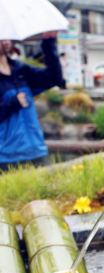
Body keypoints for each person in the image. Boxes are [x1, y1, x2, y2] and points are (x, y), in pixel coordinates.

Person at [0, 33, 64, 171]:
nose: (5, 41)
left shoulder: (19, 69)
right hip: (6, 158)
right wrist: (13, 102)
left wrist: (48, 43)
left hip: (36, 151)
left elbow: (54, 78)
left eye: (6, 36)